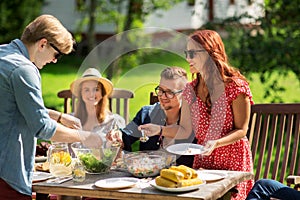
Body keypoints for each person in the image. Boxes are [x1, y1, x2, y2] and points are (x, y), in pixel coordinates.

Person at [140, 30, 254, 199]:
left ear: (209, 54)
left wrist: (216, 143)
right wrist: (159, 129)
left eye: (192, 53)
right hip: (203, 162)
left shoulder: (236, 87)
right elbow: (185, 130)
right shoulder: (190, 90)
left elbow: (241, 130)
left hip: (233, 161)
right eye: (187, 53)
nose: (187, 59)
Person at [0, 15, 102, 199]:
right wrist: (86, 136)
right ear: (43, 44)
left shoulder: (4, 56)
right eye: (57, 54)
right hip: (6, 173)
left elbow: (14, 105)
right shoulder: (24, 69)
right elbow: (42, 128)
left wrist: (59, 116)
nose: (55, 61)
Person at [107, 66, 196, 167]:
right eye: (161, 90)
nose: (162, 96)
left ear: (184, 94)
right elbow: (127, 134)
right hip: (147, 175)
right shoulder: (146, 113)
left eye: (170, 92)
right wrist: (118, 135)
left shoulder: (193, 118)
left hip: (182, 176)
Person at [70, 67, 126, 145]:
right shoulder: (71, 120)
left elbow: (121, 150)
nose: (91, 94)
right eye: (86, 90)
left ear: (102, 93)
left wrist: (116, 140)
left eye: (96, 89)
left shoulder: (114, 122)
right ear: (81, 94)